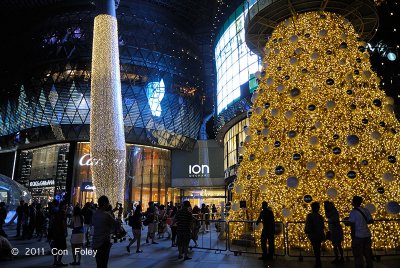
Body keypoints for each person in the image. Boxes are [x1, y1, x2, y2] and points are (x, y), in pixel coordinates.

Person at [348, 196, 374, 268]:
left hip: (358, 236)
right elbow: (371, 221)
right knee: (367, 253)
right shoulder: (365, 210)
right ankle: (369, 266)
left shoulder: (353, 212)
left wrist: (352, 236)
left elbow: (352, 224)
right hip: (367, 234)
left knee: (358, 255)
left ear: (354, 202)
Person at [92, 196, 117, 268]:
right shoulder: (106, 215)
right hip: (104, 243)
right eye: (108, 202)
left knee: (99, 264)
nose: (108, 204)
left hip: (95, 242)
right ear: (104, 203)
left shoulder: (94, 214)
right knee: (103, 264)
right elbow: (116, 225)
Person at [305, 202, 325, 268]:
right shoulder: (320, 216)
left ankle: (318, 262)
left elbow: (307, 225)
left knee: (315, 249)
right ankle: (318, 262)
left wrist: (307, 230)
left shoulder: (309, 216)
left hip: (313, 235)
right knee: (317, 248)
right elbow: (322, 226)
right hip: (319, 235)